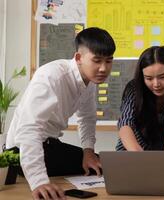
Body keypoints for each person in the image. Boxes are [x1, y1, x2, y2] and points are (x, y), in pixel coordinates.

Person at [5, 27, 115, 200]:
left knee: (101, 164)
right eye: (97, 60)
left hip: (51, 146)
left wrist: (88, 152)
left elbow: (86, 118)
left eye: (109, 61)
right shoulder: (51, 76)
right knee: (108, 168)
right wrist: (39, 181)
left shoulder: (90, 81)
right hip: (20, 151)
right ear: (78, 58)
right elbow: (29, 129)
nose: (103, 68)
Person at [115, 46, 164, 171]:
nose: (156, 84)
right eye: (149, 78)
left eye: (162, 77)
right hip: (133, 149)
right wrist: (137, 154)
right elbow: (125, 123)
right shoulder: (134, 87)